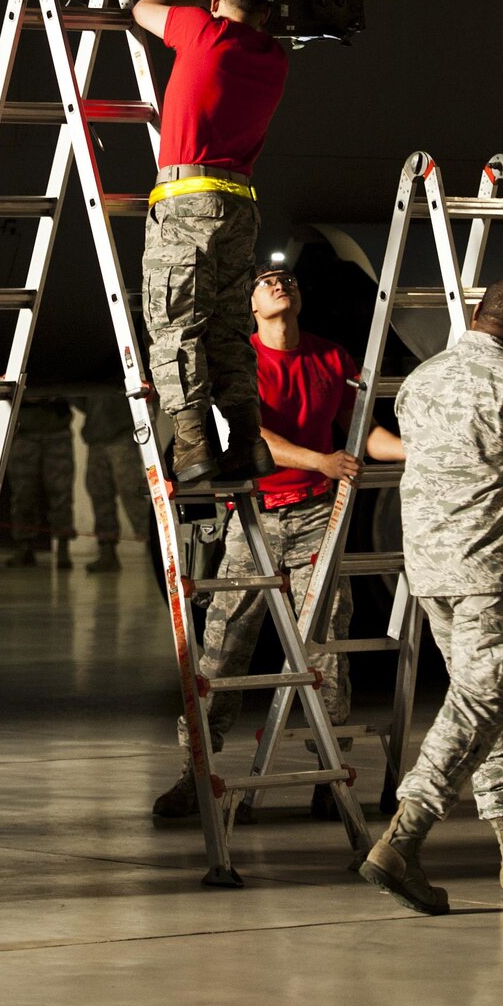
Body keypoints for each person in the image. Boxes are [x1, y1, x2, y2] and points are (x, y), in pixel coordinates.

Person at [152, 264, 404, 818]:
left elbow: (363, 433)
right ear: (250, 307)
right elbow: (252, 436)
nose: (279, 284)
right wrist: (321, 460)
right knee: (223, 644)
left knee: (328, 643)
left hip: (317, 515)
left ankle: (329, 775)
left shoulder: (330, 357)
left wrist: (421, 449)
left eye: (287, 278)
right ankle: (194, 771)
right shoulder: (239, 362)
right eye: (266, 281)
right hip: (255, 517)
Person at [360, 275, 503, 917]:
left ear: (478, 315)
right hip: (494, 573)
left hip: (431, 570)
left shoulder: (421, 380)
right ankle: (403, 839)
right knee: (481, 701)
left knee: (494, 704)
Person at [131, 0, 289, 481]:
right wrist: (209, 4)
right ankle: (246, 439)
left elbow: (141, 9)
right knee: (227, 329)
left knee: (177, 324)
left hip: (187, 200)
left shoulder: (204, 30)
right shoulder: (274, 57)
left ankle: (193, 443)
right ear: (265, 12)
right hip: (240, 205)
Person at [75, 390, 148, 573]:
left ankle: (155, 548)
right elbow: (78, 398)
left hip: (122, 437)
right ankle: (107, 552)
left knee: (132, 494)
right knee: (100, 497)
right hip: (96, 439)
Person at [3, 392, 76, 568]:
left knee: (61, 493)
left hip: (57, 431)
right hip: (25, 433)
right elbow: (7, 390)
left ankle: (63, 547)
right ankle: (24, 546)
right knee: (23, 492)